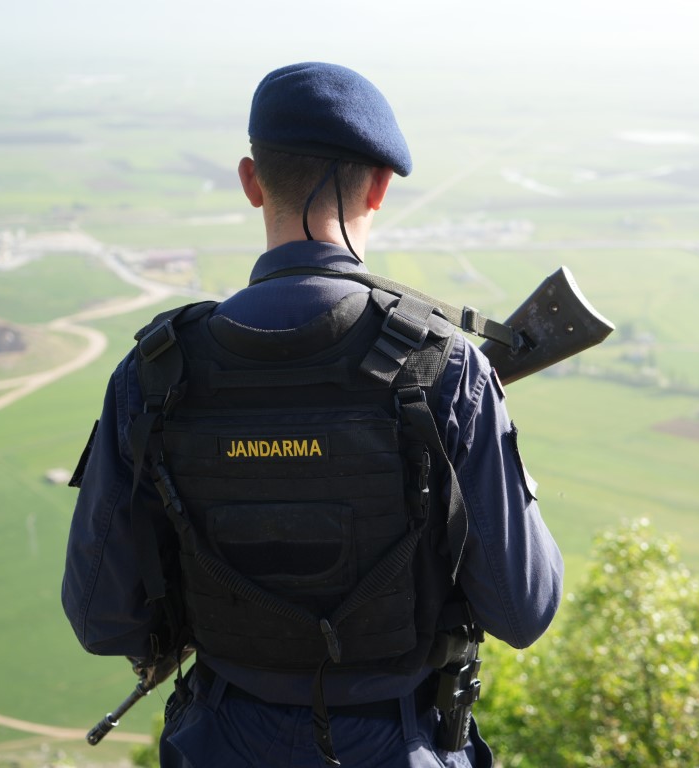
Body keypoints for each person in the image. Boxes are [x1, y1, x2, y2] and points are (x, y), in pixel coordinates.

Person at [61, 62, 563, 768]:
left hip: (220, 741)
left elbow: (100, 617)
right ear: (382, 186)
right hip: (401, 744)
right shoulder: (446, 369)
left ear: (249, 179)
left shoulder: (154, 373)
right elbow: (523, 609)